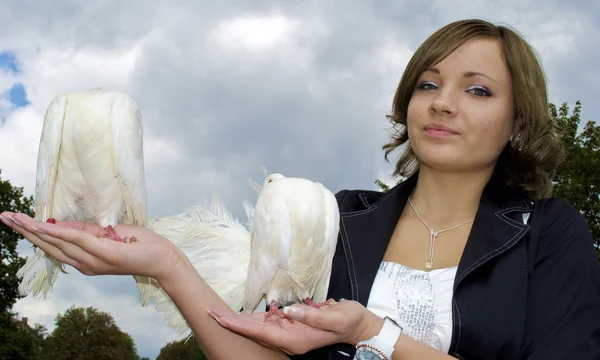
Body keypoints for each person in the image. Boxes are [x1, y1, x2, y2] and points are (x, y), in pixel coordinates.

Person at [2, 18, 599, 360]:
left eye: (477, 90)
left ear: (519, 121)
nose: (442, 101)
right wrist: (168, 264)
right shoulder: (339, 222)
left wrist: (374, 333)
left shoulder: (550, 233)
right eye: (428, 83)